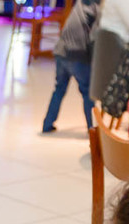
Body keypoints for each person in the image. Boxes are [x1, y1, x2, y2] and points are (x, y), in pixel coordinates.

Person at [41, 0, 100, 134]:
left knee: (59, 89)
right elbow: (95, 38)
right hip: (77, 53)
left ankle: (47, 124)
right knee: (88, 92)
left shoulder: (79, 4)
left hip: (61, 50)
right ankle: (92, 130)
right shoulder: (97, 9)